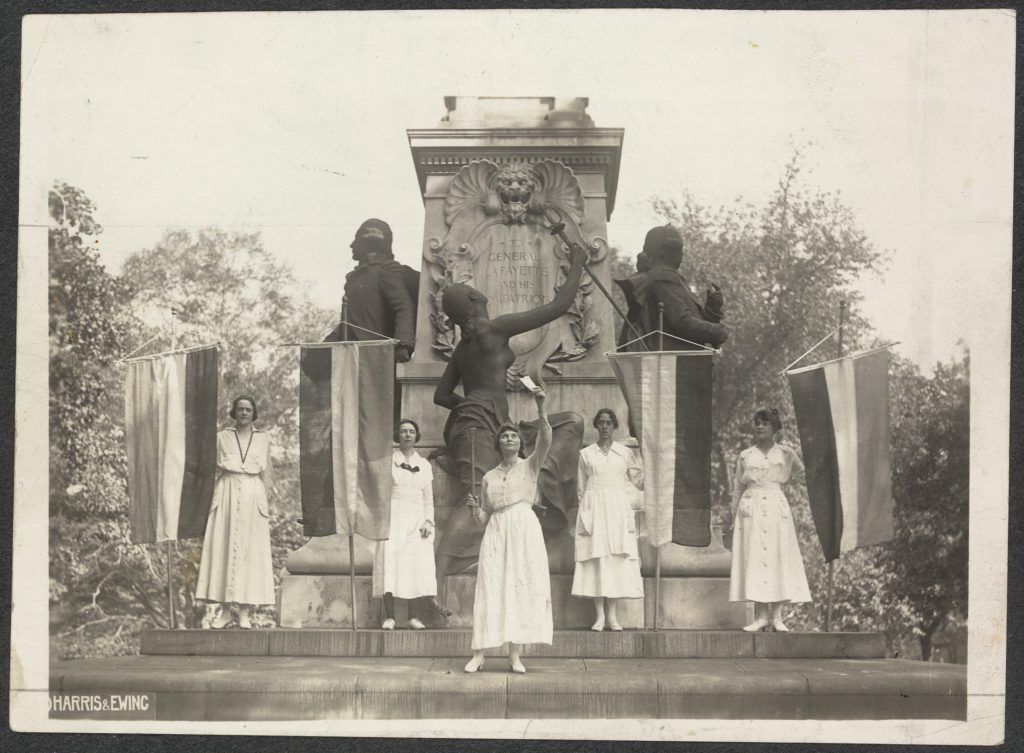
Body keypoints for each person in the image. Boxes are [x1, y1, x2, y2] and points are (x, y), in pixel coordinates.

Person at [432, 242, 588, 594]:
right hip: (478, 429)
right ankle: (436, 583)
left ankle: (541, 496)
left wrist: (469, 404)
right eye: (474, 291)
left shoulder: (463, 347)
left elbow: (441, 396)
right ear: (473, 302)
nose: (480, 291)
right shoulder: (494, 329)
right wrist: (577, 260)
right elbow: (559, 306)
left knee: (570, 423)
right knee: (473, 502)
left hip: (494, 425)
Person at [463, 389, 552, 674]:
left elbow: (546, 440)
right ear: (498, 442)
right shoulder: (488, 477)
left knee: (519, 587)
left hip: (524, 530)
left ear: (520, 442)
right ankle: (479, 654)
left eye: (514, 435)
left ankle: (514, 655)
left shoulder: (530, 466)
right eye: (505, 436)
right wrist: (475, 510)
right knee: (490, 587)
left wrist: (541, 408)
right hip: (496, 532)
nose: (509, 438)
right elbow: (484, 517)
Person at [728, 407, 812, 632]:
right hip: (751, 507)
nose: (760, 426)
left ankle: (777, 616)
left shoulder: (785, 454)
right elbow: (738, 486)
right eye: (757, 423)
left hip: (776, 508)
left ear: (775, 428)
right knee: (755, 558)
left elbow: (806, 476)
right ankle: (761, 616)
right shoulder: (746, 455)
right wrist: (734, 514)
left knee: (777, 557)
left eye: (765, 423)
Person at [196, 395, 275, 629]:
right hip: (227, 494)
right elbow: (209, 469)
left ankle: (244, 613)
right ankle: (224, 613)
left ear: (254, 413)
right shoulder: (221, 437)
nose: (243, 413)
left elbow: (268, 474)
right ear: (234, 412)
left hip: (253, 495)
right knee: (224, 549)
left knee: (249, 554)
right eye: (240, 409)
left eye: (248, 409)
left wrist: (263, 501)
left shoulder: (263, 439)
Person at [571, 409, 645, 631]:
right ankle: (599, 616)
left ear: (614, 426)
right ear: (596, 426)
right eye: (601, 423)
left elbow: (638, 481)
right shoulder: (586, 454)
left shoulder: (624, 453)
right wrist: (586, 514)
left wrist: (652, 468)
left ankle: (612, 617)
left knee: (615, 561)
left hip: (617, 511)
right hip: (594, 511)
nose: (604, 426)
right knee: (597, 561)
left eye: (608, 423)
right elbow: (581, 489)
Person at [372, 418, 449, 628]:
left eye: (411, 432)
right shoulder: (389, 462)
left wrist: (428, 521)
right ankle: (390, 617)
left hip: (416, 519)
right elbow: (381, 495)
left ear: (416, 436)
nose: (407, 435)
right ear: (398, 436)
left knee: (415, 564)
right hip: (394, 517)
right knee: (391, 562)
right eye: (403, 431)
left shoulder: (424, 465)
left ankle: (413, 617)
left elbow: (428, 499)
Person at [617, 224, 729, 352]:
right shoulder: (663, 277)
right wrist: (718, 331)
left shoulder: (662, 276)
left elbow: (683, 323)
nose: (681, 253)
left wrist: (712, 310)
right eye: (679, 248)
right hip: (676, 366)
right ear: (667, 251)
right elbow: (682, 323)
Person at [325, 218, 419, 364]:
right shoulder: (354, 278)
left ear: (370, 243)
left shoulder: (387, 271)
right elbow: (349, 323)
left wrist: (403, 345)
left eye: (356, 240)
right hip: (355, 357)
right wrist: (321, 350)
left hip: (379, 359)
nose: (352, 245)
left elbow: (404, 307)